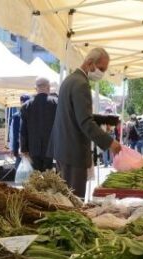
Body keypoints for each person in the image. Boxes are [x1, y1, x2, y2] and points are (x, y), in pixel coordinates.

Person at [49, 48, 121, 197]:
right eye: (101, 68)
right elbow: (85, 122)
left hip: (63, 148)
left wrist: (102, 119)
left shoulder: (69, 80)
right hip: (73, 150)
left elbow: (75, 114)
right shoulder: (81, 84)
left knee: (65, 198)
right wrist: (110, 143)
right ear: (89, 63)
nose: (101, 73)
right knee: (74, 200)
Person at [20, 78, 58, 172]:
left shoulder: (26, 106)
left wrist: (24, 149)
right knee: (50, 179)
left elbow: (23, 130)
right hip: (52, 148)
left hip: (33, 149)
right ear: (48, 88)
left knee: (36, 178)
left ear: (36, 88)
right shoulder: (56, 103)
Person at [10, 94, 28, 169]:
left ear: (21, 102)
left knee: (19, 170)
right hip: (30, 148)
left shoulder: (16, 116)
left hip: (19, 146)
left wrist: (12, 148)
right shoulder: (33, 115)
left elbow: (12, 135)